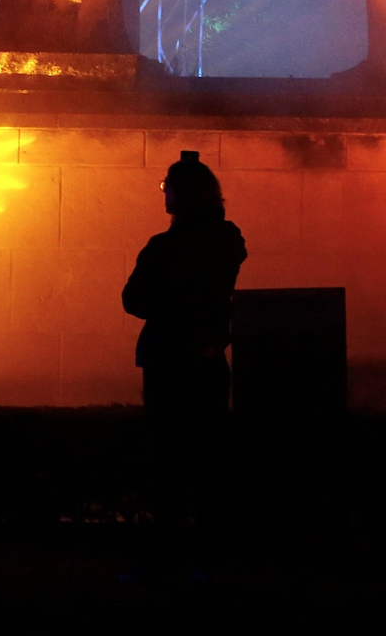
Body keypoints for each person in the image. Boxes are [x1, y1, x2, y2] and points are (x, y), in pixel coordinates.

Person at [122, 151, 246, 577]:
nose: (164, 194)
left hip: (167, 363)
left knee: (167, 462)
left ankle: (166, 556)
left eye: (167, 187)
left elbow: (132, 299)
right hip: (211, 361)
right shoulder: (228, 241)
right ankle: (212, 556)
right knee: (212, 461)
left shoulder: (163, 248)